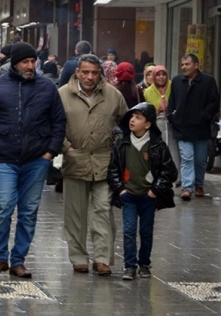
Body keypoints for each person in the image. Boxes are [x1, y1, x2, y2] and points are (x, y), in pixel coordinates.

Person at [0, 42, 67, 279]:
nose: (30, 66)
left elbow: (59, 122)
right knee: (2, 206)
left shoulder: (47, 87)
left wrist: (50, 152)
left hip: (37, 159)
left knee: (29, 211)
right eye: (26, 62)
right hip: (4, 157)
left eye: (33, 61)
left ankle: (18, 260)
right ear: (14, 63)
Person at [58, 54, 128, 276]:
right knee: (75, 214)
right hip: (75, 160)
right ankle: (78, 258)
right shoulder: (61, 95)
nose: (89, 77)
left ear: (101, 74)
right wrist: (66, 147)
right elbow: (52, 125)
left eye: (94, 73)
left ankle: (102, 258)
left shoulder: (113, 95)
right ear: (77, 72)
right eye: (85, 72)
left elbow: (125, 124)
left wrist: (117, 147)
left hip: (104, 161)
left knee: (103, 211)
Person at [107, 103, 177, 281]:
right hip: (128, 195)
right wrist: (120, 190)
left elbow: (169, 171)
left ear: (148, 124)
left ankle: (144, 263)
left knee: (146, 231)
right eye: (132, 116)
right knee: (129, 230)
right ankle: (129, 266)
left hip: (148, 197)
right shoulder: (122, 143)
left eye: (138, 117)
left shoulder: (157, 145)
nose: (132, 120)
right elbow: (113, 169)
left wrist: (155, 191)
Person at [167, 53, 220, 200]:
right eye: (182, 64)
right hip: (182, 127)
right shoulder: (177, 81)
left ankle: (198, 184)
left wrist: (206, 115)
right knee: (187, 157)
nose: (184, 67)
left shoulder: (208, 81)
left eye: (187, 64)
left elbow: (214, 102)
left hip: (201, 128)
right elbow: (172, 100)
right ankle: (187, 187)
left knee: (200, 159)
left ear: (196, 65)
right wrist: (171, 115)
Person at [144, 65, 180, 177]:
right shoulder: (148, 92)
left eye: (163, 74)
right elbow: (148, 111)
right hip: (157, 124)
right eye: (158, 75)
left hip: (173, 124)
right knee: (159, 151)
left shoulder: (173, 87)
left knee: (174, 150)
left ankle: (176, 176)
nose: (161, 77)